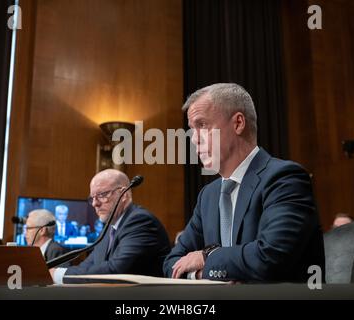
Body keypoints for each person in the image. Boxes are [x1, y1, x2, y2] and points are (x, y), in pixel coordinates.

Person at [163, 83, 325, 282]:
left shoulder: (284, 178)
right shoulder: (208, 195)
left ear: (238, 123)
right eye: (191, 129)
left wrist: (207, 257)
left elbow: (270, 258)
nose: (194, 139)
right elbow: (172, 262)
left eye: (202, 125)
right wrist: (207, 272)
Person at [50, 169, 171, 284]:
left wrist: (58, 274)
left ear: (123, 195)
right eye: (92, 198)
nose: (95, 204)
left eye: (102, 194)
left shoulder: (140, 221)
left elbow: (116, 269)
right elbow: (89, 265)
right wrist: (55, 273)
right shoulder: (110, 227)